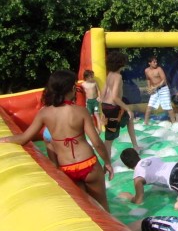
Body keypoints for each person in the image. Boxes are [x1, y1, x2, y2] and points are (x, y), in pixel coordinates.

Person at [0, 70, 114, 211]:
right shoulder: (81, 111)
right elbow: (96, 142)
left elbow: (23, 138)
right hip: (88, 164)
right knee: (104, 210)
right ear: (72, 88)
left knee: (87, 212)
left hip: (66, 168)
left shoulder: (45, 113)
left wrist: (4, 139)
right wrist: (107, 162)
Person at [100, 50, 140, 156]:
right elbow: (114, 97)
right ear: (121, 64)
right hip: (113, 108)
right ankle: (107, 163)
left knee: (129, 120)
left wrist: (102, 110)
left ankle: (135, 146)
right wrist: (127, 108)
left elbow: (102, 94)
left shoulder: (109, 75)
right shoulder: (118, 76)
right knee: (109, 140)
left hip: (106, 106)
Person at [144, 55, 175, 125]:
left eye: (156, 62)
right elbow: (148, 79)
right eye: (154, 62)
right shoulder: (146, 70)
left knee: (168, 106)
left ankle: (174, 123)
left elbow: (164, 80)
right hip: (154, 90)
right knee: (149, 107)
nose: (156, 63)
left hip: (163, 89)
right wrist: (149, 88)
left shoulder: (159, 69)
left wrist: (156, 87)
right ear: (149, 63)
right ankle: (145, 123)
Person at [81, 69, 102, 134]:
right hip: (89, 102)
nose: (93, 77)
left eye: (93, 76)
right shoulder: (83, 84)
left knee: (97, 115)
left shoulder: (94, 83)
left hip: (95, 101)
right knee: (90, 117)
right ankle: (95, 130)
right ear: (86, 77)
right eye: (91, 76)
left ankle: (100, 130)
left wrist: (99, 96)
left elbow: (98, 90)